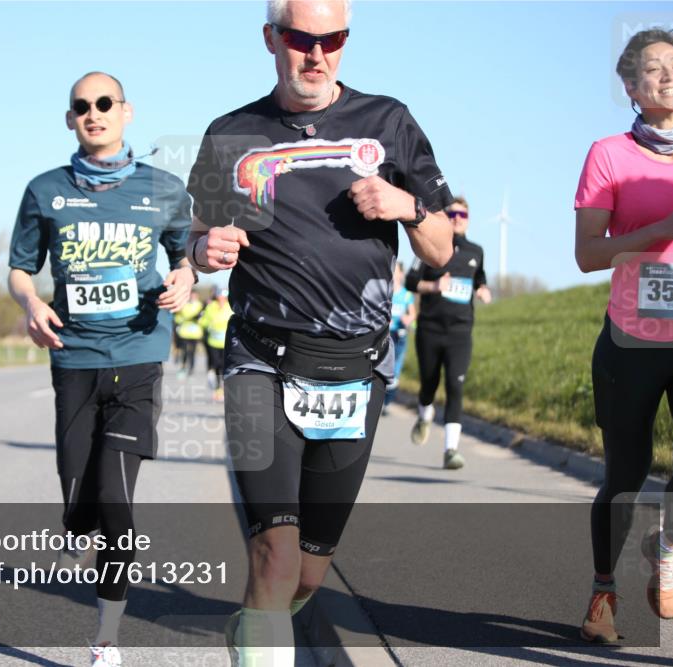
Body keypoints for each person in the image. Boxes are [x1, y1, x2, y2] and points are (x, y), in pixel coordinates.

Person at [185, 1, 454, 663]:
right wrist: (202, 251)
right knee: (273, 554)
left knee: (308, 569)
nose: (316, 54)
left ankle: (257, 625)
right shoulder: (231, 133)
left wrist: (406, 205)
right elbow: (196, 237)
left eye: (331, 39)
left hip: (354, 369)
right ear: (271, 39)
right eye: (300, 38)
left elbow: (442, 247)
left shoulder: (388, 120)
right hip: (259, 360)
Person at [7, 72, 195, 667]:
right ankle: (75, 523)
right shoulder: (45, 190)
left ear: (126, 112)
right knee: (77, 503)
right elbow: (19, 267)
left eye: (105, 103)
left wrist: (186, 279)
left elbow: (189, 252)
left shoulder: (164, 189)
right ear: (70, 119)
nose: (95, 113)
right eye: (82, 106)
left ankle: (107, 638)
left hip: (139, 358)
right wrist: (32, 303)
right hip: (75, 361)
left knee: (116, 500)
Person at [574, 28, 673, 643]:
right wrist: (660, 228)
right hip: (633, 338)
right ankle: (602, 595)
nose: (667, 74)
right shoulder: (608, 154)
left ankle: (667, 543)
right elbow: (588, 254)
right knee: (626, 473)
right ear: (631, 88)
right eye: (652, 68)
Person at [406, 196, 491, 469]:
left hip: (460, 331)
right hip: (430, 328)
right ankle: (424, 415)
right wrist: (433, 287)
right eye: (452, 214)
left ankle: (451, 450)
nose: (457, 219)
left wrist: (482, 290)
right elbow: (410, 281)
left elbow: (480, 279)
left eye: (462, 216)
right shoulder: (429, 247)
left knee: (455, 385)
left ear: (468, 220)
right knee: (429, 383)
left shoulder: (476, 252)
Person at [382, 261, 415, 413]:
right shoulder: (385, 292)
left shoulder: (407, 295)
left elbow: (413, 313)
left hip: (400, 336)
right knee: (382, 369)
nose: (395, 275)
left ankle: (386, 403)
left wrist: (408, 319)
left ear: (402, 274)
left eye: (397, 272)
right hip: (385, 336)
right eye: (392, 272)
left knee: (394, 372)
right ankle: (380, 401)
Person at [199, 286, 235, 402]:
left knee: (224, 366)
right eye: (220, 296)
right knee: (216, 364)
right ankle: (217, 389)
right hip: (213, 342)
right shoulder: (211, 307)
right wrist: (208, 324)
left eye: (224, 297)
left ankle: (224, 388)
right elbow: (203, 321)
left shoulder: (230, 307)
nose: (222, 299)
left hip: (226, 342)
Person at [174, 292, 204, 379]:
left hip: (195, 333)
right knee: (184, 351)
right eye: (191, 295)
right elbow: (180, 317)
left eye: (194, 295)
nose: (193, 297)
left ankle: (191, 368)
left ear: (197, 296)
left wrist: (198, 318)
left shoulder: (200, 305)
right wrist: (189, 318)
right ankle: (183, 367)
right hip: (184, 332)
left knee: (192, 352)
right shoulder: (184, 304)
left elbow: (202, 318)